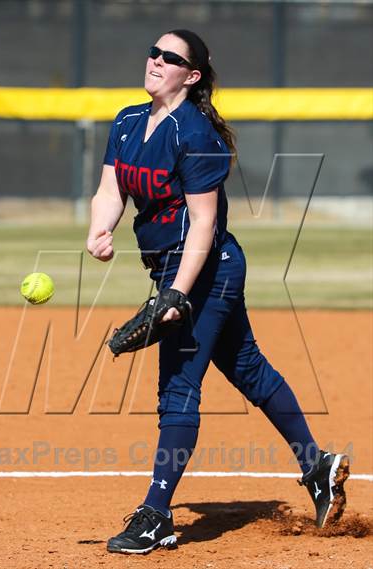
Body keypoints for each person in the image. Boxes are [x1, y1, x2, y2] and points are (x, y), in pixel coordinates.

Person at [86, 29, 349, 555]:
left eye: (170, 57)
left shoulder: (197, 133)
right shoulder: (127, 120)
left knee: (178, 384)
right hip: (173, 271)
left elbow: (204, 223)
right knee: (247, 367)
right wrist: (101, 227)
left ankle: (156, 514)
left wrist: (177, 294)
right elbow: (112, 187)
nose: (155, 61)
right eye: (153, 51)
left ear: (192, 74)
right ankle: (317, 467)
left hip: (207, 270)